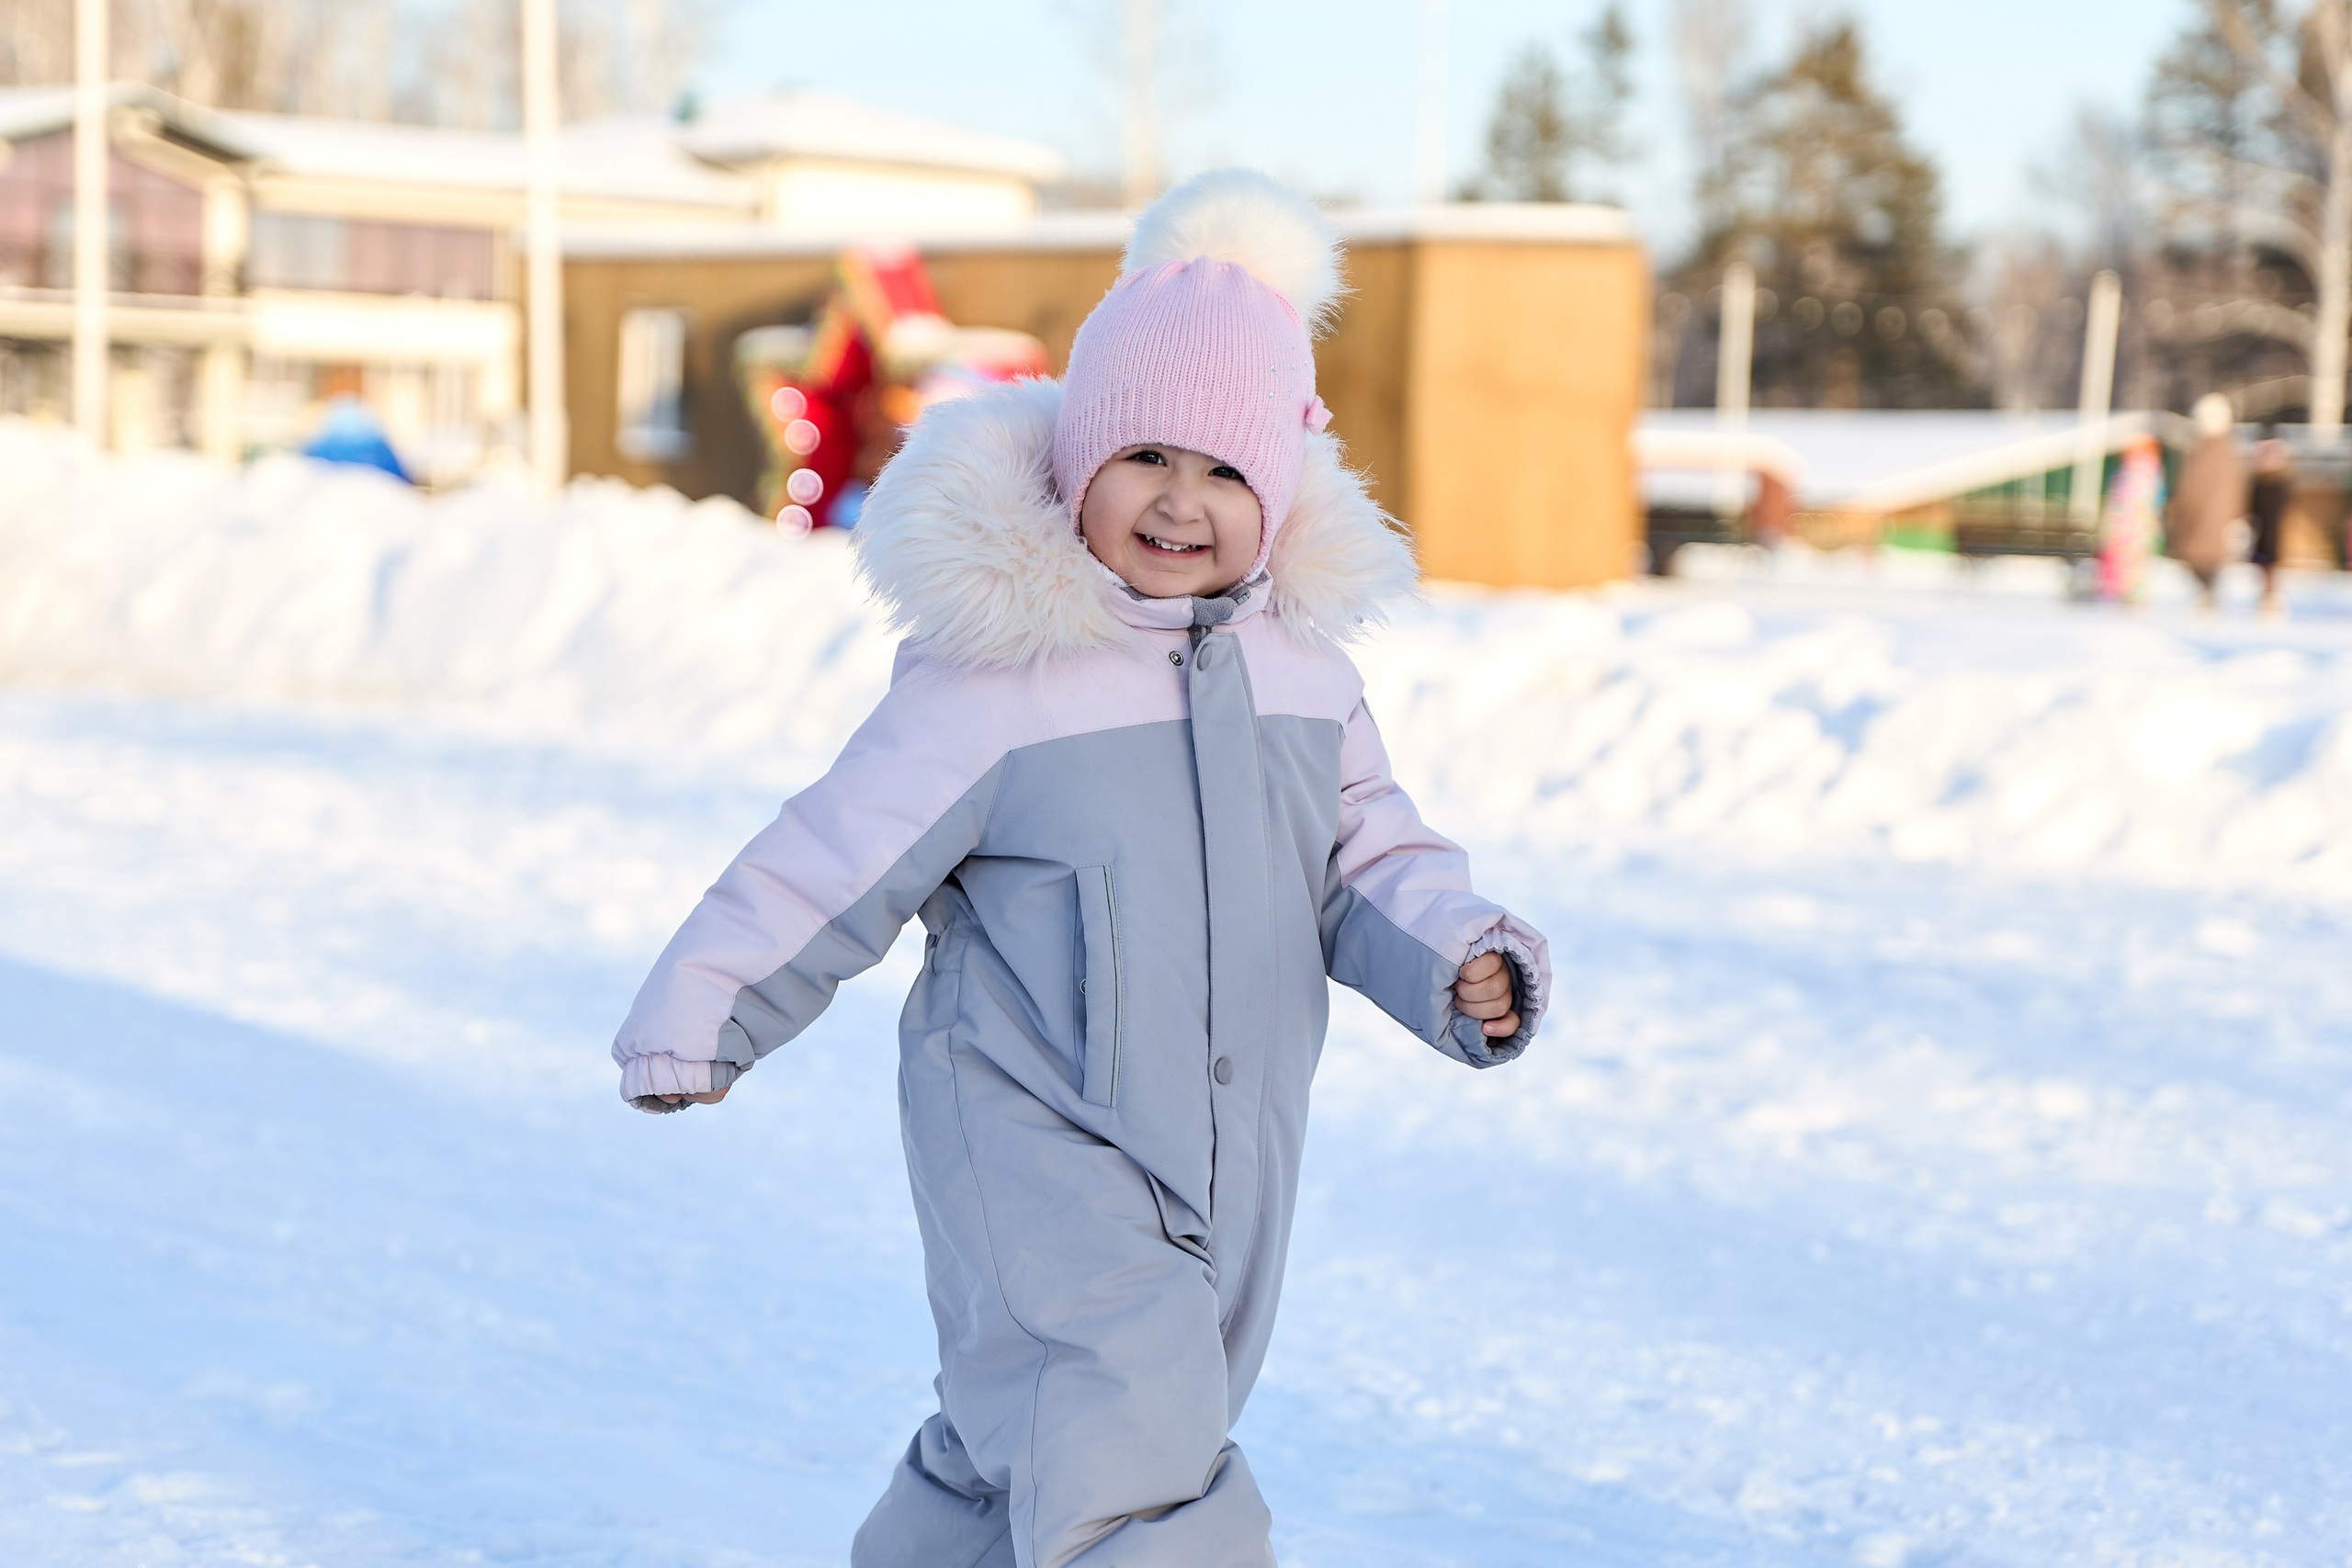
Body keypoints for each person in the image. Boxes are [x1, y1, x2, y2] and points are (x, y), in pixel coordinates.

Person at [609, 170, 1549, 1568]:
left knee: (1036, 1441)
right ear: (1078, 459)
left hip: (1233, 1156)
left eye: (1227, 470)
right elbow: (835, 853)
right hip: (1034, 1139)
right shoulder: (1003, 670)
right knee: (1131, 1437)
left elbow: (1367, 853)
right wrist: (708, 998)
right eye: (1145, 458)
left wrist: (1459, 949)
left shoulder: (1308, 675)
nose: (1182, 502)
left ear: (1279, 488)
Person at [2168, 392, 2244, 611]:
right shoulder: (2220, 451)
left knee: (2204, 562)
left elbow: (2189, 486)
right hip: (2206, 523)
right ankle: (2207, 594)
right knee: (2202, 562)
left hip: (2207, 524)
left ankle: (2207, 596)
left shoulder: (2211, 451)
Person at [2248, 433, 2293, 619]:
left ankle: (2272, 600)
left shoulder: (2281, 483)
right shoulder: (2257, 483)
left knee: (2271, 568)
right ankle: (2265, 599)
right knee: (2262, 567)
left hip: (2274, 533)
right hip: (2261, 531)